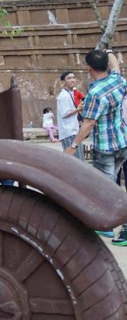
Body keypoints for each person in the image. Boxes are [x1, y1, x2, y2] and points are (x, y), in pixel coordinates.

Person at [64, 49, 127, 245]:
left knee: (104, 190)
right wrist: (108, 52)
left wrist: (73, 146)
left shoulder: (95, 94)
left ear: (89, 69)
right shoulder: (119, 80)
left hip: (105, 148)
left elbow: (89, 122)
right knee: (111, 187)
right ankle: (108, 225)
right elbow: (116, 65)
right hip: (122, 143)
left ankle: (114, 227)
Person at [56, 71, 84, 160]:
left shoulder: (71, 93)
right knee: (76, 161)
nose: (72, 80)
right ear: (63, 81)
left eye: (73, 77)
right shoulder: (63, 96)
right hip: (69, 132)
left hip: (73, 130)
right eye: (69, 78)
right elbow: (65, 114)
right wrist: (78, 109)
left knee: (78, 160)